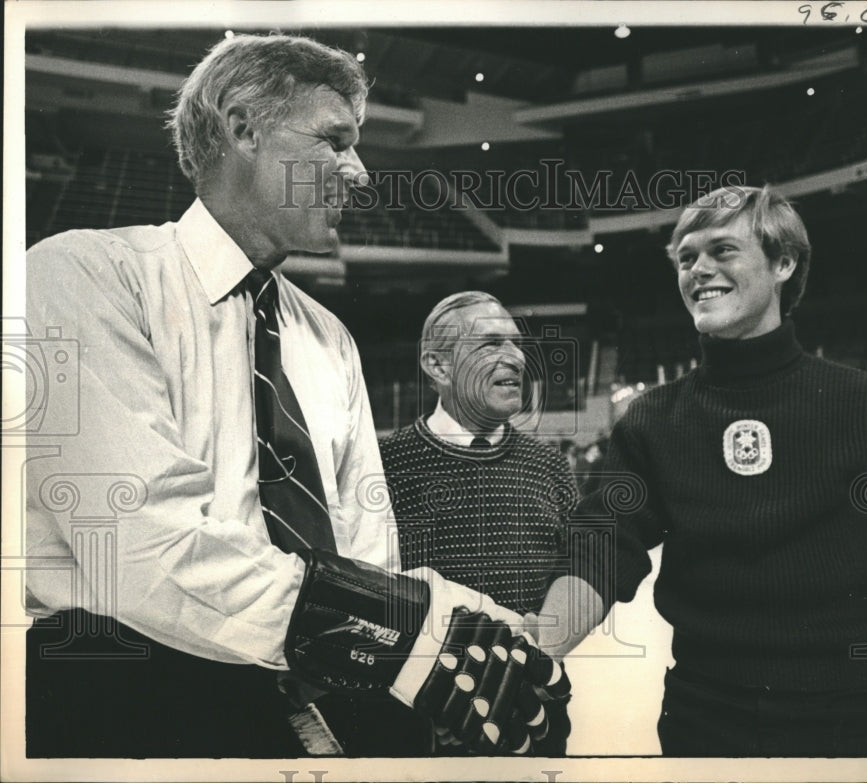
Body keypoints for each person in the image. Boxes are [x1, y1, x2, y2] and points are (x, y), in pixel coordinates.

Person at [23, 33, 566, 759]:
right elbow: (141, 546)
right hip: (123, 691)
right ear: (243, 128)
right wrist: (405, 635)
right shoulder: (83, 275)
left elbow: (368, 556)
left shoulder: (329, 335)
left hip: (302, 691)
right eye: (335, 140)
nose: (360, 172)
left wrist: (467, 625)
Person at [528, 185, 867, 757]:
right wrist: (544, 641)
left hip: (847, 718)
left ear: (784, 262)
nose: (699, 269)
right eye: (686, 257)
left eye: (722, 250)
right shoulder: (652, 421)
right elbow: (600, 549)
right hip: (702, 720)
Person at [365, 291, 578, 755]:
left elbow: (576, 581)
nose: (517, 358)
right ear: (438, 367)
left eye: (517, 344)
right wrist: (434, 694)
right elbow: (372, 598)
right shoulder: (384, 466)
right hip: (422, 730)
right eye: (490, 344)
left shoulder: (551, 467)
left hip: (533, 721)